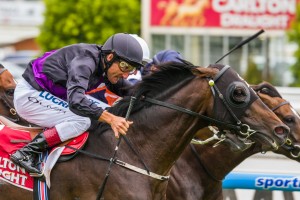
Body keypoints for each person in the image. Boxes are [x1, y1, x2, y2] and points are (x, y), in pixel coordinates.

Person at [10, 33, 144, 175]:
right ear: (110, 57)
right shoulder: (85, 61)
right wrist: (111, 119)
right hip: (30, 94)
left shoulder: (105, 64)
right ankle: (27, 152)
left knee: (109, 110)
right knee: (83, 119)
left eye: (131, 70)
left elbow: (130, 91)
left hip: (50, 94)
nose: (125, 74)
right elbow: (76, 101)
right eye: (124, 66)